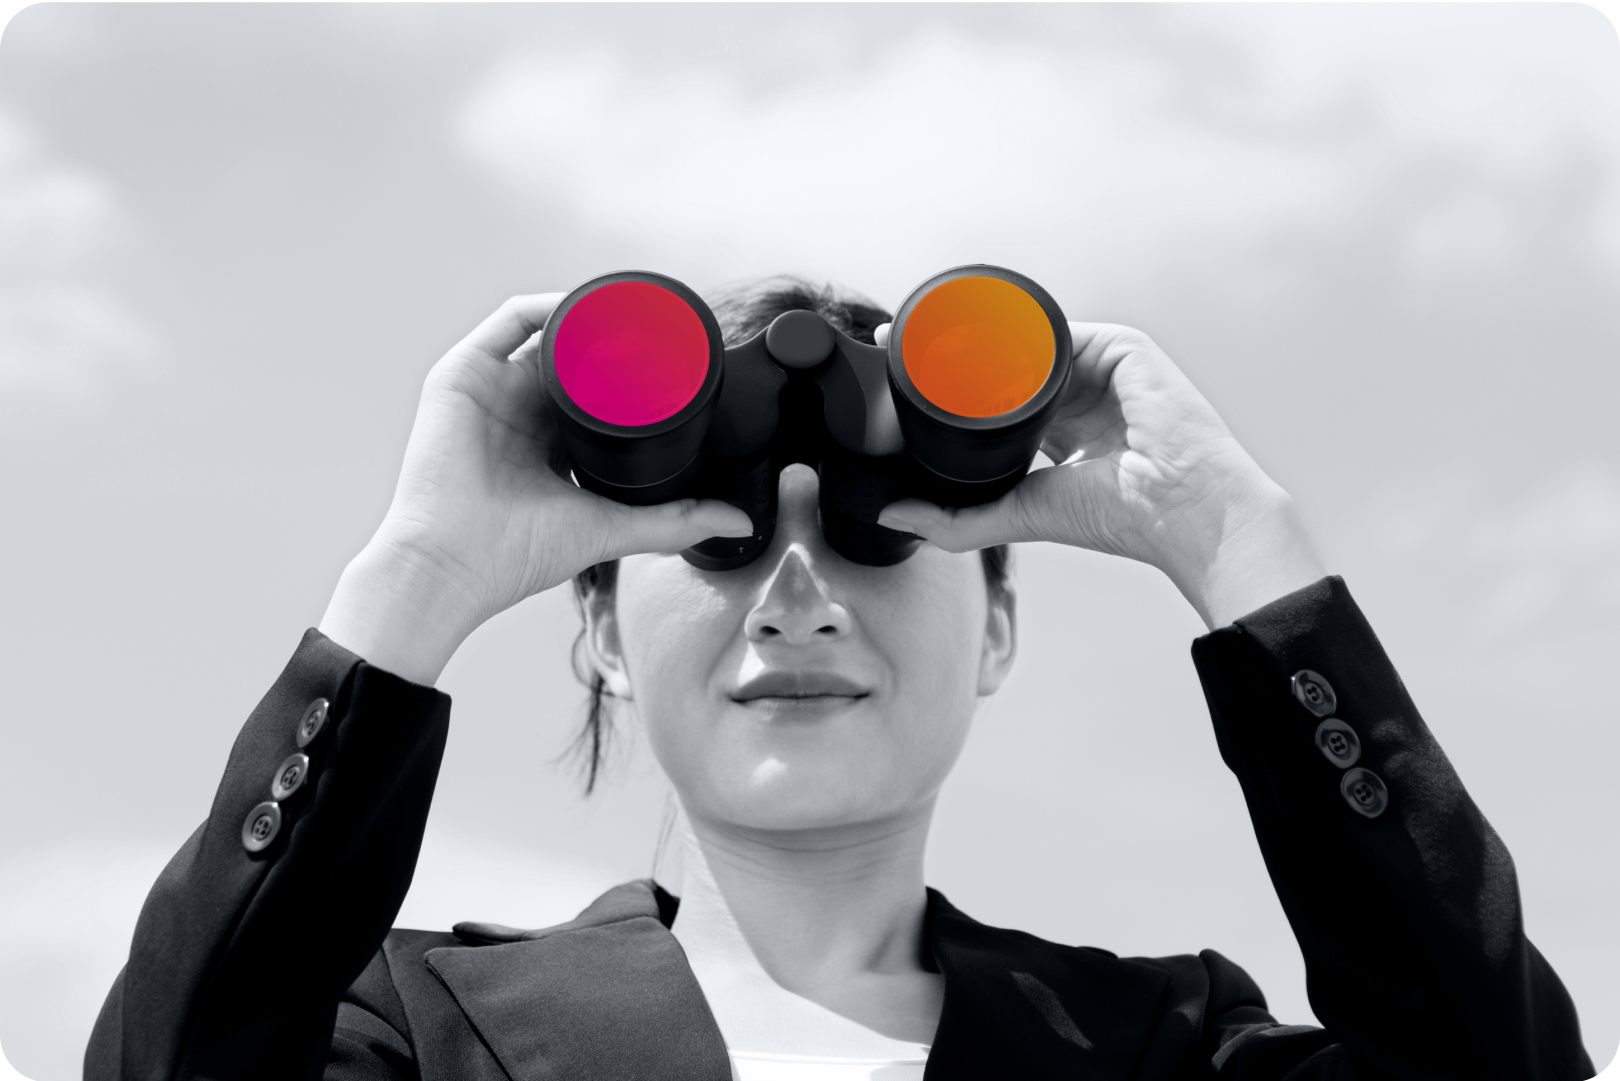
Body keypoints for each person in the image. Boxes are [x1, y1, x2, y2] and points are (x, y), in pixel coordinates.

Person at [86, 278, 1594, 1081]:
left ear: (997, 630)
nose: (797, 601)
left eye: (879, 538)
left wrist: (1236, 544)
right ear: (601, 631)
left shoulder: (1168, 1048)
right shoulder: (407, 1033)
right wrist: (415, 578)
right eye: (725, 542)